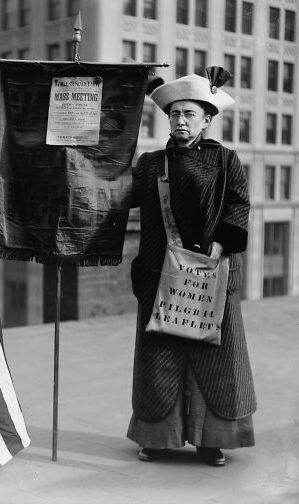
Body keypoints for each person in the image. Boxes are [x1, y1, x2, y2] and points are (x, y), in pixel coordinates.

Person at [127, 69, 255, 466]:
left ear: (207, 120)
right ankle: (157, 437)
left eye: (189, 114)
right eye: (175, 114)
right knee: (160, 354)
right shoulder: (150, 164)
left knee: (213, 357)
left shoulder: (224, 159)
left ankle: (211, 440)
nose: (180, 121)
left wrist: (220, 244)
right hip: (159, 273)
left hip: (211, 273)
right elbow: (120, 198)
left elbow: (238, 205)